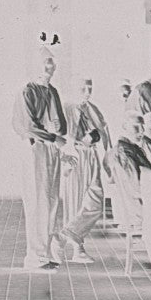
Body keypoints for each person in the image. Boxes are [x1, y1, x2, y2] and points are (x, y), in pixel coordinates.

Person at [12, 46, 68, 270]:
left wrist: (57, 133)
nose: (49, 67)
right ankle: (35, 257)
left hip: (52, 151)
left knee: (51, 201)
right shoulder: (27, 91)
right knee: (37, 201)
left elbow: (61, 124)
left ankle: (45, 252)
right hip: (35, 151)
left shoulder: (52, 91)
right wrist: (52, 136)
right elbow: (25, 126)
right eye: (45, 62)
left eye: (52, 63)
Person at [59, 78, 111, 264]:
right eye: (83, 88)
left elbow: (103, 131)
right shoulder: (67, 107)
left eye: (90, 87)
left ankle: (63, 237)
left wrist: (107, 161)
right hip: (76, 157)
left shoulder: (92, 108)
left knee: (96, 200)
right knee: (75, 200)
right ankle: (77, 249)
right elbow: (65, 136)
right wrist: (66, 161)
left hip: (92, 156)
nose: (87, 91)